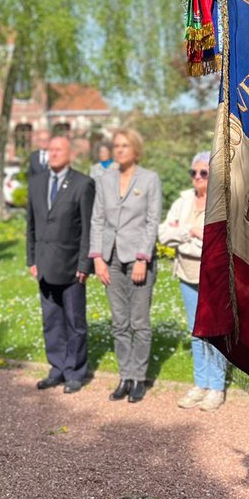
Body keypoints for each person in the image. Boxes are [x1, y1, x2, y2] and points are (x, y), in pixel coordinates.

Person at [89, 128, 162, 403]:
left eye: (124, 146)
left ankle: (139, 378)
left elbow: (152, 221)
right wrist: (97, 258)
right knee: (120, 323)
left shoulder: (149, 179)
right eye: (116, 146)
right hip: (111, 260)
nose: (119, 150)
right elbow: (97, 219)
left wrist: (143, 257)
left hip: (138, 260)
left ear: (135, 149)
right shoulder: (105, 179)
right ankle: (125, 377)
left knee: (139, 322)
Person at [26, 135, 95, 393]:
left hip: (71, 267)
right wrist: (31, 258)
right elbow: (31, 225)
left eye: (58, 150)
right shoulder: (36, 182)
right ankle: (56, 368)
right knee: (51, 320)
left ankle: (75, 371)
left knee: (75, 321)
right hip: (44, 265)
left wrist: (84, 264)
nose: (52, 154)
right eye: (50, 150)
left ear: (70, 154)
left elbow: (88, 228)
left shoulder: (83, 183)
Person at [158, 151, 227, 411]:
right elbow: (164, 234)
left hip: (212, 275)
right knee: (196, 331)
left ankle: (216, 386)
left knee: (215, 332)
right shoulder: (183, 201)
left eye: (204, 173)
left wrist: (192, 238)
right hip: (186, 273)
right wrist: (191, 232)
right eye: (194, 173)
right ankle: (201, 383)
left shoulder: (221, 203)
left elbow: (218, 243)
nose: (197, 177)